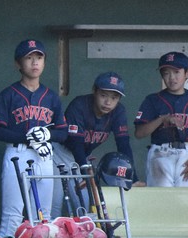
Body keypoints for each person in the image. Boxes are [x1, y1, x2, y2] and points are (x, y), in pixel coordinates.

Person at [0, 39, 67, 238]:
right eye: (29, 58)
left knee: (44, 213)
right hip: (18, 153)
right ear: (18, 64)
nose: (35, 62)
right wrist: (27, 138)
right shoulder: (8, 95)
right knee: (13, 211)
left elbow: (63, 132)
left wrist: (47, 136)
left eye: (39, 57)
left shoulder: (51, 97)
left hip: (44, 155)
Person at [51, 72, 135, 217]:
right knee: (54, 204)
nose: (108, 102)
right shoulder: (79, 105)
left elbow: (123, 143)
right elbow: (75, 143)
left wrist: (133, 178)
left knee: (84, 205)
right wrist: (85, 173)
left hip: (83, 157)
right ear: (94, 91)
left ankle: (85, 237)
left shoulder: (118, 111)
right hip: (59, 154)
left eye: (114, 97)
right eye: (103, 95)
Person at [134, 51, 188, 187]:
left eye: (176, 72)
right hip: (160, 154)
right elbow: (139, 133)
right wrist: (162, 119)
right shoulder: (152, 100)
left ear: (187, 73)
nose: (172, 78)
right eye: (166, 73)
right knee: (161, 200)